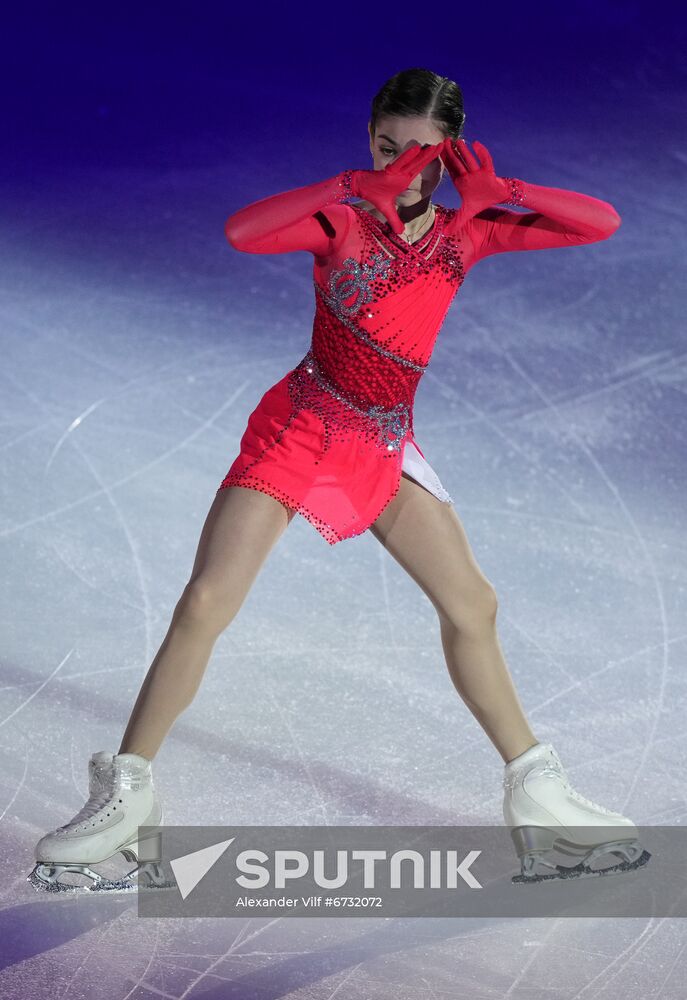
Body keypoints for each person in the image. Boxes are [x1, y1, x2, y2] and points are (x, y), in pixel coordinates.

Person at [28, 68, 649, 892]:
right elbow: (242, 233)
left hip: (383, 441)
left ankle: (536, 789)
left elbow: (599, 222)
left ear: (450, 153)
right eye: (385, 148)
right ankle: (129, 790)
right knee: (207, 600)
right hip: (304, 423)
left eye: (422, 154)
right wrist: (351, 186)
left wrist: (505, 190)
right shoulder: (343, 219)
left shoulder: (473, 230)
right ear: (367, 143)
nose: (404, 166)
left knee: (473, 604)